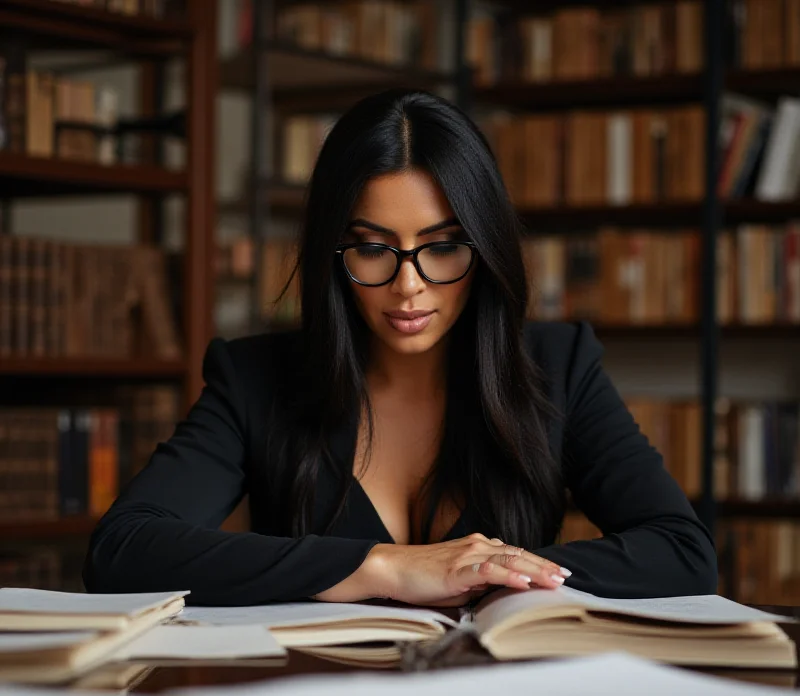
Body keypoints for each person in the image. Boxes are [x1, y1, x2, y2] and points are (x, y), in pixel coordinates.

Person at [83, 89, 717, 607]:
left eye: (442, 247)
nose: (408, 286)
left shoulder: (558, 366)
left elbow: (682, 551)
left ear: (486, 247)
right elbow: (123, 550)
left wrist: (481, 571)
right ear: (333, 253)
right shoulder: (256, 378)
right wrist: (384, 567)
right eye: (372, 248)